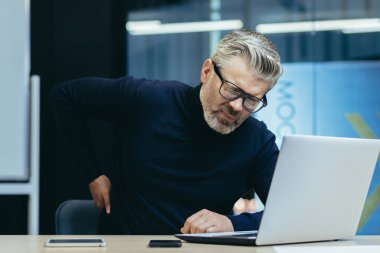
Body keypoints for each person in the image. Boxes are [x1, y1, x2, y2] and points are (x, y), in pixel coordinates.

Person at [50, 29, 282, 235]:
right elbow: (65, 96)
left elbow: (289, 214)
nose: (237, 106)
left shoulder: (257, 140)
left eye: (251, 100)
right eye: (232, 90)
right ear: (207, 71)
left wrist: (232, 225)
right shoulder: (148, 99)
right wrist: (93, 173)